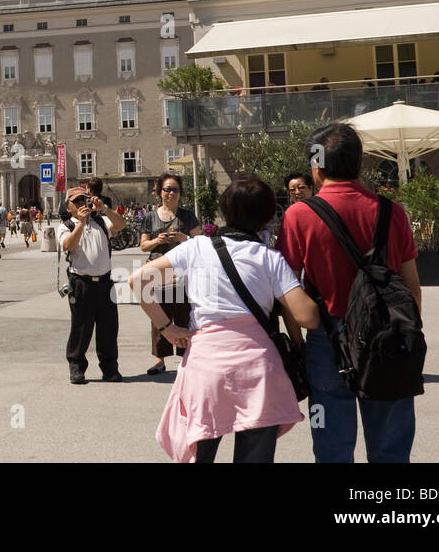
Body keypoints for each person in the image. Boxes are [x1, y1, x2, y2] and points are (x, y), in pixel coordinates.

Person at [131, 177, 320, 463]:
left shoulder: (196, 249)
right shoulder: (269, 258)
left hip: (206, 368)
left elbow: (138, 280)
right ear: (267, 216)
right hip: (258, 371)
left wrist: (168, 329)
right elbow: (308, 317)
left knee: (201, 453)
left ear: (224, 210)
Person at [278, 123, 422, 463]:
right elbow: (412, 288)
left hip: (326, 340)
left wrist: (299, 343)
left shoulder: (298, 215)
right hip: (389, 338)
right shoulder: (391, 211)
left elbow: (286, 291)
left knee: (330, 444)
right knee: (391, 447)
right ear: (359, 162)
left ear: (316, 165)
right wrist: (404, 337)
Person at [61, 181, 126, 384]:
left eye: (84, 199)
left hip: (105, 282)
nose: (81, 203)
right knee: (81, 328)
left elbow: (121, 225)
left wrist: (104, 209)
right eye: (76, 200)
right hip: (81, 282)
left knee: (108, 328)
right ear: (68, 206)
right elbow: (68, 245)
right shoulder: (66, 226)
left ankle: (110, 369)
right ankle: (77, 368)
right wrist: (80, 222)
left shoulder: (100, 221)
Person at [138, 173, 199, 376]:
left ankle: (186, 357)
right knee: (159, 317)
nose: (170, 193)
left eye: (175, 189)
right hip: (158, 274)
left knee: (184, 315)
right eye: (167, 189)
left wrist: (183, 238)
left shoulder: (188, 216)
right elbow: (143, 246)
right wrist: (157, 241)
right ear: (159, 193)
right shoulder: (150, 217)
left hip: (182, 276)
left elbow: (200, 243)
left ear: (180, 193)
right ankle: (159, 359)